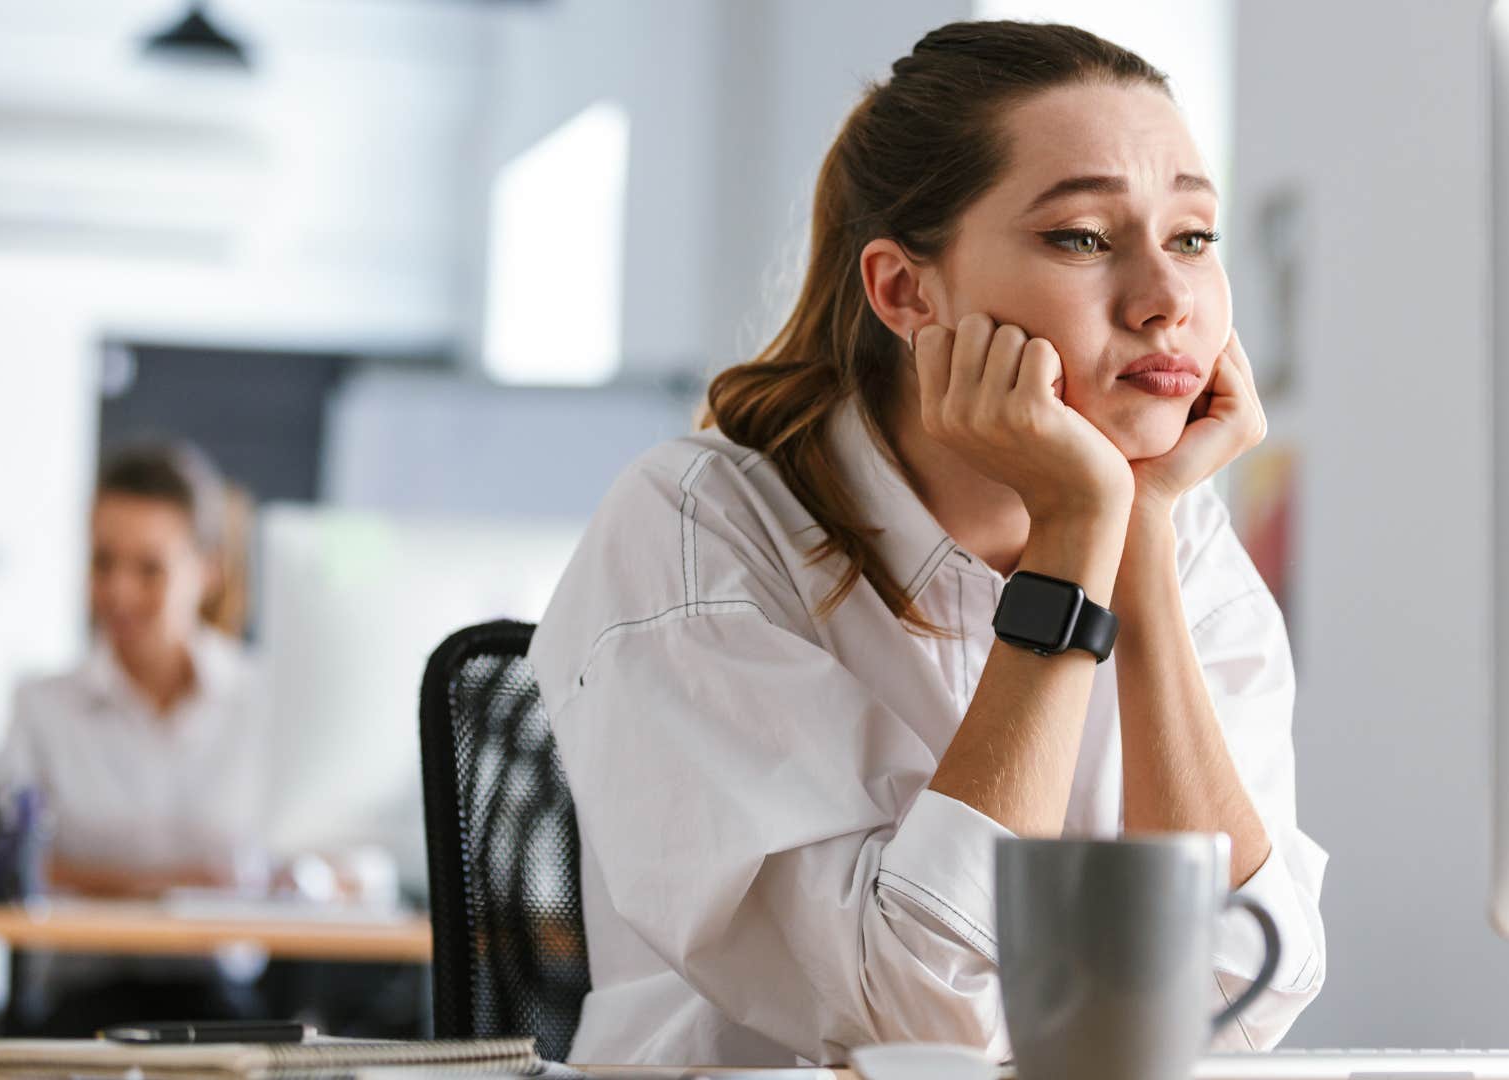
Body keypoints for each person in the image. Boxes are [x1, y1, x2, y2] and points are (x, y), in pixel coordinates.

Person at [530, 20, 1328, 1067]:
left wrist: (1134, 533)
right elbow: (915, 1021)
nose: (1167, 301)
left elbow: (1240, 991)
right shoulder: (697, 532)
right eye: (1084, 237)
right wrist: (1074, 546)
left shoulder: (1176, 537)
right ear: (907, 292)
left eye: (1190, 237)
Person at [0, 441, 270, 1032]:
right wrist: (181, 886)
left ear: (208, 570)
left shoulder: (261, 702)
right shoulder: (43, 705)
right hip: (79, 1001)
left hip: (222, 1001)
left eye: (149, 568)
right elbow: (3, 863)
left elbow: (307, 861)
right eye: (102, 562)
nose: (118, 592)